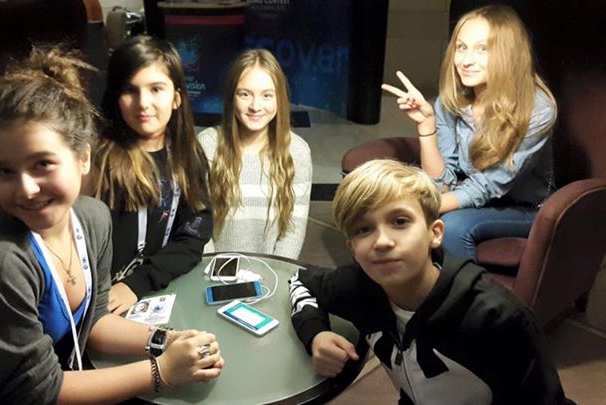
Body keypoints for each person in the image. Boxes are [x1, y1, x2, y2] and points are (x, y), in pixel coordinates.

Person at [0, 47, 223, 403]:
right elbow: (38, 390)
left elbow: (95, 320)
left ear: (83, 158)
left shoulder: (93, 219)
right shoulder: (1, 261)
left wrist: (166, 339)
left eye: (42, 164)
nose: (26, 189)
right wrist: (161, 370)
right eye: (3, 171)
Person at [289, 159, 568, 403]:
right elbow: (300, 281)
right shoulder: (359, 286)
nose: (382, 241)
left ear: (435, 233)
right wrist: (316, 334)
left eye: (400, 221)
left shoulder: (497, 316)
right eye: (363, 229)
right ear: (352, 248)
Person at [381, 5, 557, 258]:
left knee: (451, 226)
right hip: (468, 192)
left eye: (482, 49)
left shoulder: (537, 109)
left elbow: (487, 186)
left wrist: (420, 207)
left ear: (508, 54)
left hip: (524, 207)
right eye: (461, 47)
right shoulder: (450, 101)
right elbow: (442, 181)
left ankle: (468, 286)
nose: (466, 60)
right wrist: (427, 125)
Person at [92, 35, 212, 315]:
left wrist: (138, 283)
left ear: (176, 98)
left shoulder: (189, 156)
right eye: (129, 90)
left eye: (156, 89)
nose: (143, 103)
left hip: (158, 289)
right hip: (103, 301)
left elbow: (193, 236)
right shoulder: (99, 161)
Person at [197, 49, 312, 260]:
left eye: (267, 95)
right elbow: (199, 224)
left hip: (271, 271)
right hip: (214, 269)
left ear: (280, 99)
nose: (255, 106)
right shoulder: (207, 144)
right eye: (245, 94)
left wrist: (275, 271)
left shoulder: (297, 151)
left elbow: (293, 231)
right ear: (232, 97)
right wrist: (213, 270)